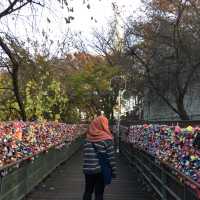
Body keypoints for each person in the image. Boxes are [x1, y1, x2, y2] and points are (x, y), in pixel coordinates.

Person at [82, 113, 116, 200]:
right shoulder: (107, 139)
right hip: (100, 170)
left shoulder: (87, 138)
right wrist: (113, 172)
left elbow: (85, 155)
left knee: (88, 191)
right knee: (99, 194)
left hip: (88, 170)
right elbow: (111, 158)